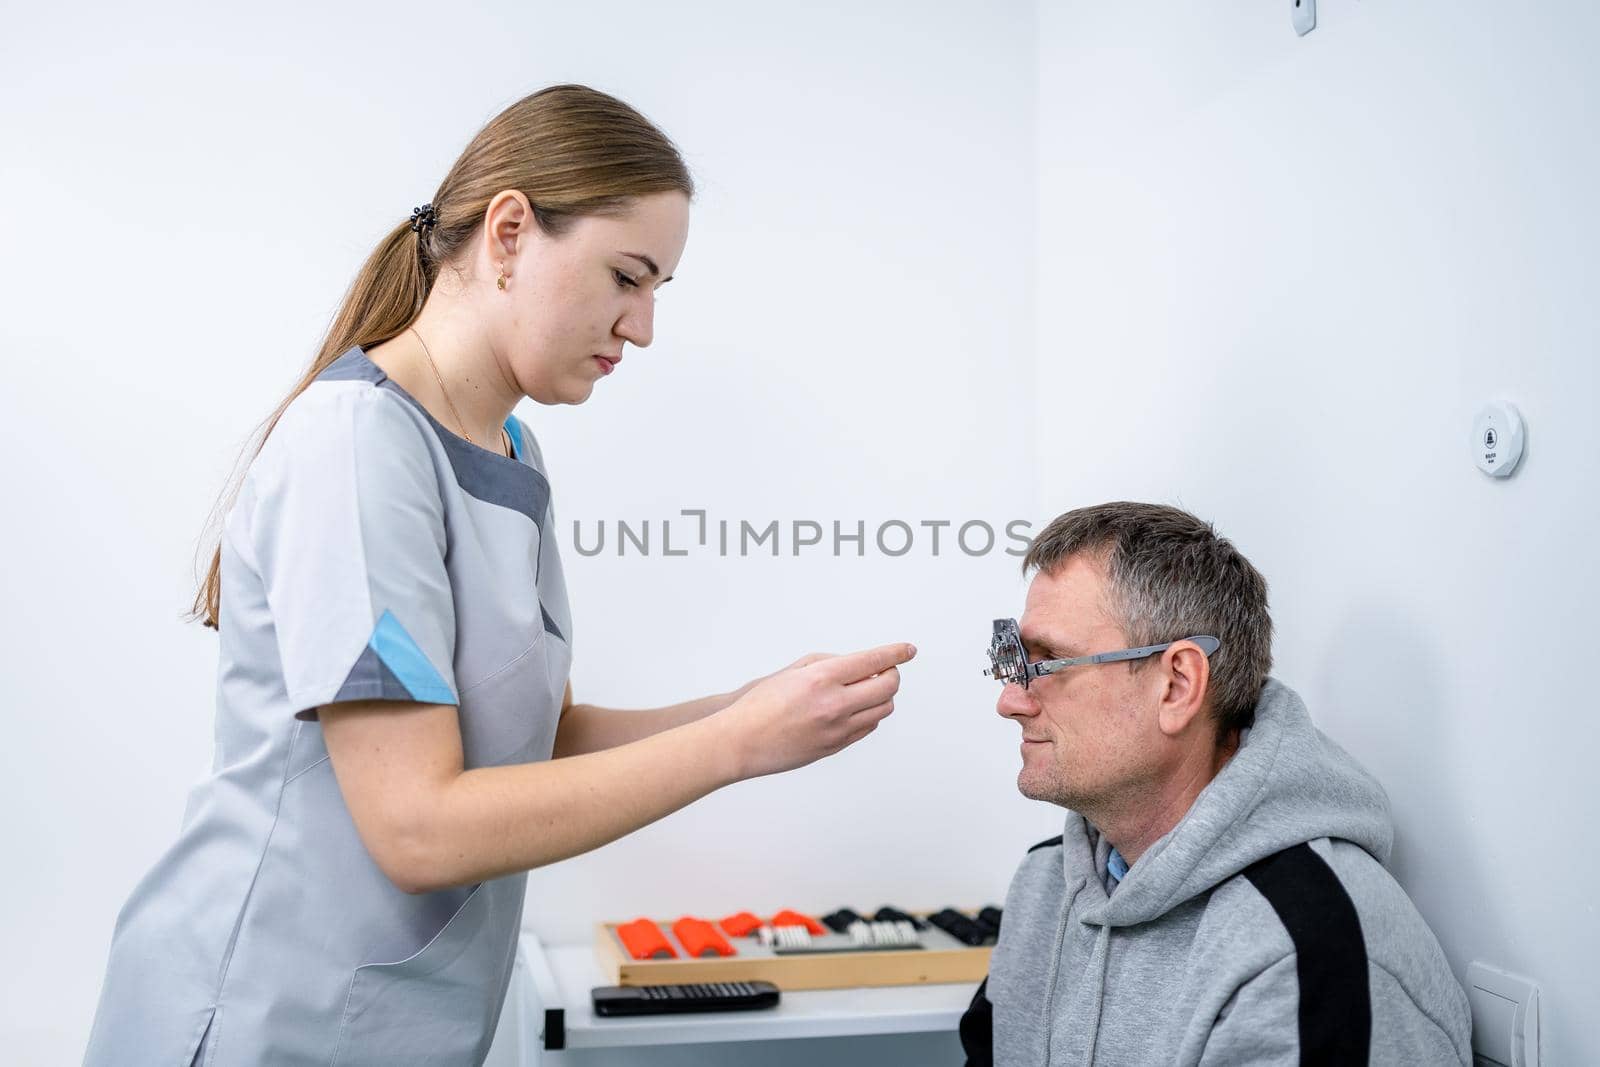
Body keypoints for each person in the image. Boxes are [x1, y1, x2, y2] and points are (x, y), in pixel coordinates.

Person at [83, 84, 915, 1066]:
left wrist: (757, 708)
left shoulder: (511, 451)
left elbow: (538, 735)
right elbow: (417, 827)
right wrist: (734, 744)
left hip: (403, 1026)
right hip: (262, 1018)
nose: (641, 326)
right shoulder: (357, 446)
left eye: (655, 291)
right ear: (510, 232)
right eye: (625, 276)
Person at [961, 502, 1470, 1066]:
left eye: (1049, 662)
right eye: (1014, 661)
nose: (1011, 700)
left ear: (1177, 685)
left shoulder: (1303, 946)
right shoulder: (1046, 884)